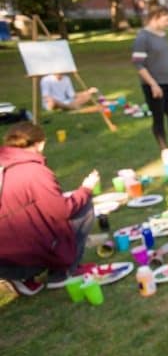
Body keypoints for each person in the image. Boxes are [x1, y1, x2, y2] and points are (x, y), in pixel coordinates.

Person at [0, 122, 99, 295]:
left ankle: (23, 277)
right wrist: (86, 189)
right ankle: (62, 273)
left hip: (5, 254)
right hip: (26, 256)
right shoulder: (34, 172)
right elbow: (61, 212)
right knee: (84, 208)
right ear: (40, 143)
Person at [131, 5, 168, 162]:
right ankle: (165, 150)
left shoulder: (163, 35)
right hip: (154, 84)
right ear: (155, 17)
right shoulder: (143, 37)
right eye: (166, 19)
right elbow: (139, 64)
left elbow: (159, 57)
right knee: (158, 117)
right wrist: (153, 84)